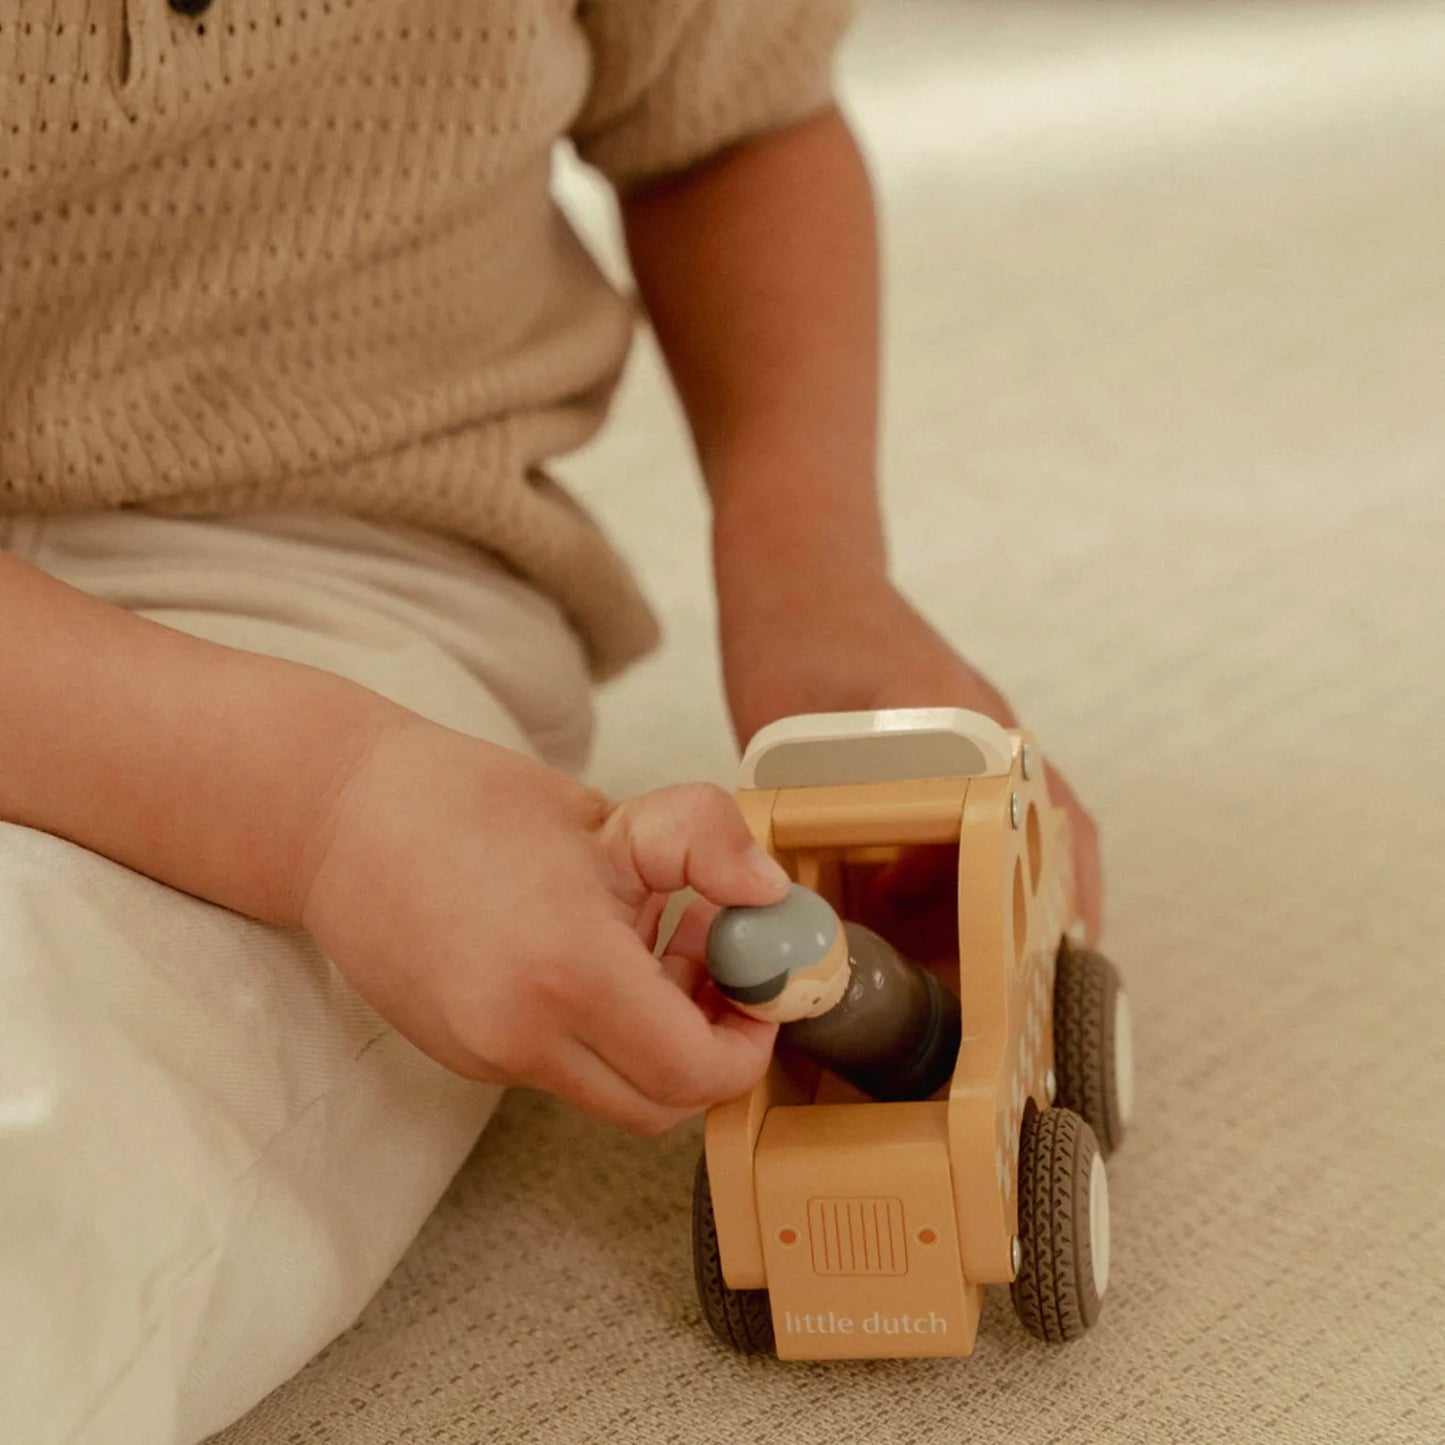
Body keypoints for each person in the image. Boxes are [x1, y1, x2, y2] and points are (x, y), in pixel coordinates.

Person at [0, 2, 1100, 1440]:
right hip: (329, 755)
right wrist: (321, 807)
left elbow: (730, 121)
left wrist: (809, 569)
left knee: (78, 1127)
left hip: (320, 556)